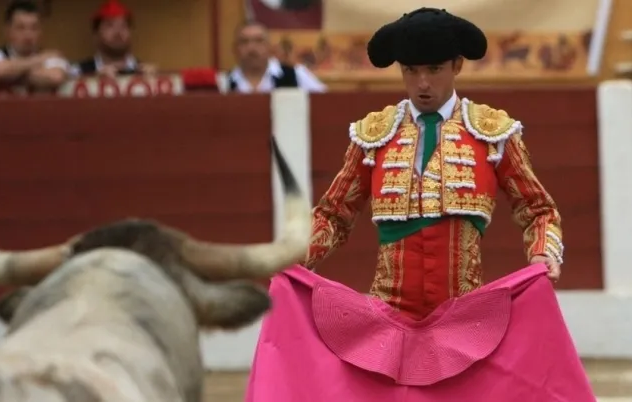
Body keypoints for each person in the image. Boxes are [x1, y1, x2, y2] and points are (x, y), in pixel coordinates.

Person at [246, 8, 594, 402]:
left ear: (457, 65)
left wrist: (543, 252)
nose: (423, 83)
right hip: (386, 319)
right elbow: (333, 215)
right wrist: (292, 258)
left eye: (434, 69)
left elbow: (538, 210)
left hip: (467, 320)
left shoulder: (493, 134)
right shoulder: (373, 136)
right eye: (411, 71)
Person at [0, 0, 69, 94]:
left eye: (34, 28)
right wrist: (39, 59)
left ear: (41, 32)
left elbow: (56, 77)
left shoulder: (52, 58)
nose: (28, 35)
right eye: (20, 28)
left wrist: (9, 74)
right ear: (8, 31)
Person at [228, 20, 326, 93]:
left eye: (259, 41)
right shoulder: (225, 83)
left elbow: (325, 102)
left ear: (269, 46)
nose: (252, 48)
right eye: (244, 42)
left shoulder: (296, 74)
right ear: (235, 49)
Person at [70, 0, 156, 78]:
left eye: (123, 26)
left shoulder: (144, 71)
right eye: (110, 26)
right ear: (96, 34)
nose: (118, 32)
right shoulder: (77, 72)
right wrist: (93, 80)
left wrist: (154, 81)